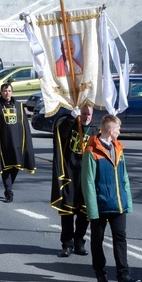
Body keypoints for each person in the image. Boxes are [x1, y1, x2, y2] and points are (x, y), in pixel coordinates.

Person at [82, 114, 140, 282]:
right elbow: (88, 181)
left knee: (120, 238)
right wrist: (92, 209)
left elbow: (124, 177)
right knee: (97, 240)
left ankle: (123, 275)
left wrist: (127, 201)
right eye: (118, 128)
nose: (119, 131)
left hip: (118, 204)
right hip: (100, 205)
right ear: (109, 130)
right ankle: (100, 274)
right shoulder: (91, 151)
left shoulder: (118, 148)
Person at [0, 82, 36, 202]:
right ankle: (9, 191)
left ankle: (9, 186)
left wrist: (26, 142)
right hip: (3, 143)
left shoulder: (19, 106)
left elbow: (24, 126)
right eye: (5, 91)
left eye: (9, 91)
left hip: (17, 142)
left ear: (12, 92)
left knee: (16, 166)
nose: (7, 93)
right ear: (1, 92)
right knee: (5, 167)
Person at [51, 104, 93, 258]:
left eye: (89, 114)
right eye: (83, 113)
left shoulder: (95, 131)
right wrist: (71, 118)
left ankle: (79, 242)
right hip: (70, 176)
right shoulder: (71, 126)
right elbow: (60, 135)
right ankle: (66, 244)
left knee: (84, 213)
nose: (86, 116)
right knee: (67, 213)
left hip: (87, 178)